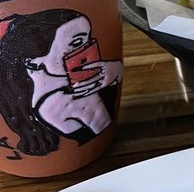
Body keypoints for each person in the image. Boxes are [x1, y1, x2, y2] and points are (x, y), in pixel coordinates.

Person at [0, 9, 123, 158]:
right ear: (34, 61)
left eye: (88, 39)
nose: (88, 48)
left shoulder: (74, 85)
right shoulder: (63, 101)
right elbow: (101, 124)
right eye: (77, 42)